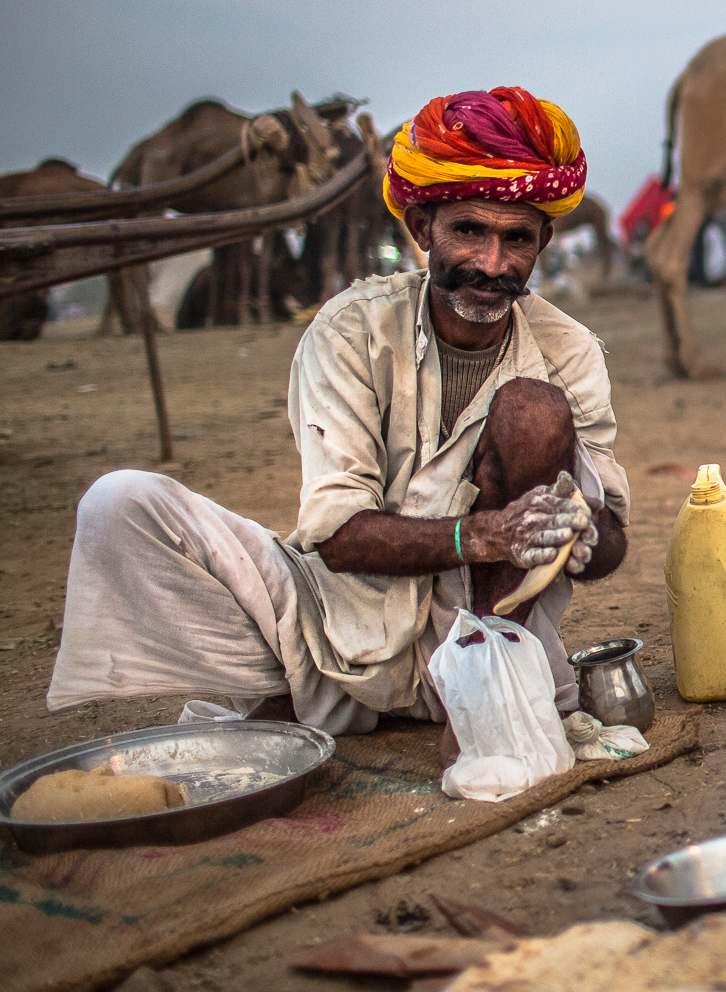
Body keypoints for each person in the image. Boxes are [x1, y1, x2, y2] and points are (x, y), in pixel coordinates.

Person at [48, 87, 631, 747]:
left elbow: (610, 542)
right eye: (469, 231)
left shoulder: (567, 350)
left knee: (533, 409)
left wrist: (584, 531)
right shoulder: (352, 329)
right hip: (328, 621)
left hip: (481, 639)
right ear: (421, 230)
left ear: (542, 241)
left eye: (516, 239)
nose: (492, 265)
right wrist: (482, 535)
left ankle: (484, 692)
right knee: (120, 503)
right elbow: (338, 534)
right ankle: (293, 689)